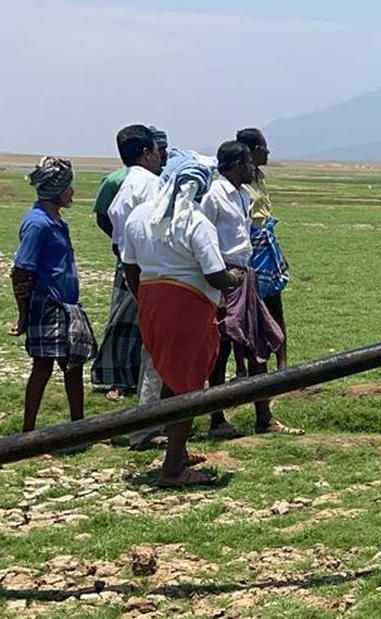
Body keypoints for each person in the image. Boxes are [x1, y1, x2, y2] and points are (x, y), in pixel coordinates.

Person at [121, 160, 244, 487]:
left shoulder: (139, 217)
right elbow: (215, 275)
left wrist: (144, 300)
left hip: (150, 303)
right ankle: (173, 469)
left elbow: (129, 268)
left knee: (167, 376)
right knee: (187, 387)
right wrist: (235, 279)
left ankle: (179, 449)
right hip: (187, 307)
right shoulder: (196, 222)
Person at [201, 141, 284, 439]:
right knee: (221, 348)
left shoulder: (240, 195)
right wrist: (221, 278)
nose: (253, 168)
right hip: (225, 277)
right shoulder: (214, 196)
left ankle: (264, 417)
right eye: (249, 162)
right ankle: (217, 418)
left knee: (257, 344)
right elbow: (205, 238)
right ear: (236, 165)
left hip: (244, 275)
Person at [10, 157, 96, 432]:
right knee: (43, 366)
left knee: (73, 365)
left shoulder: (53, 220)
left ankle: (78, 428)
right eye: (69, 187)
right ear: (57, 190)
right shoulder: (39, 224)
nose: (72, 192)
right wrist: (23, 314)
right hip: (49, 304)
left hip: (65, 305)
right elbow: (21, 270)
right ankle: (27, 431)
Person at [91, 126, 168, 400]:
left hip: (130, 263)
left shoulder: (127, 185)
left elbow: (115, 224)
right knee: (149, 334)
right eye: (157, 150)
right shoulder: (152, 184)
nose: (161, 156)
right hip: (152, 269)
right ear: (147, 153)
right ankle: (149, 408)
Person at [237, 127, 302, 435]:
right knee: (249, 317)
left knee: (274, 306)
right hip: (248, 255)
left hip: (265, 248)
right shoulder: (235, 186)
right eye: (263, 147)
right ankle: (249, 378)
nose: (268, 152)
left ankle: (281, 365)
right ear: (251, 150)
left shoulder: (258, 179)